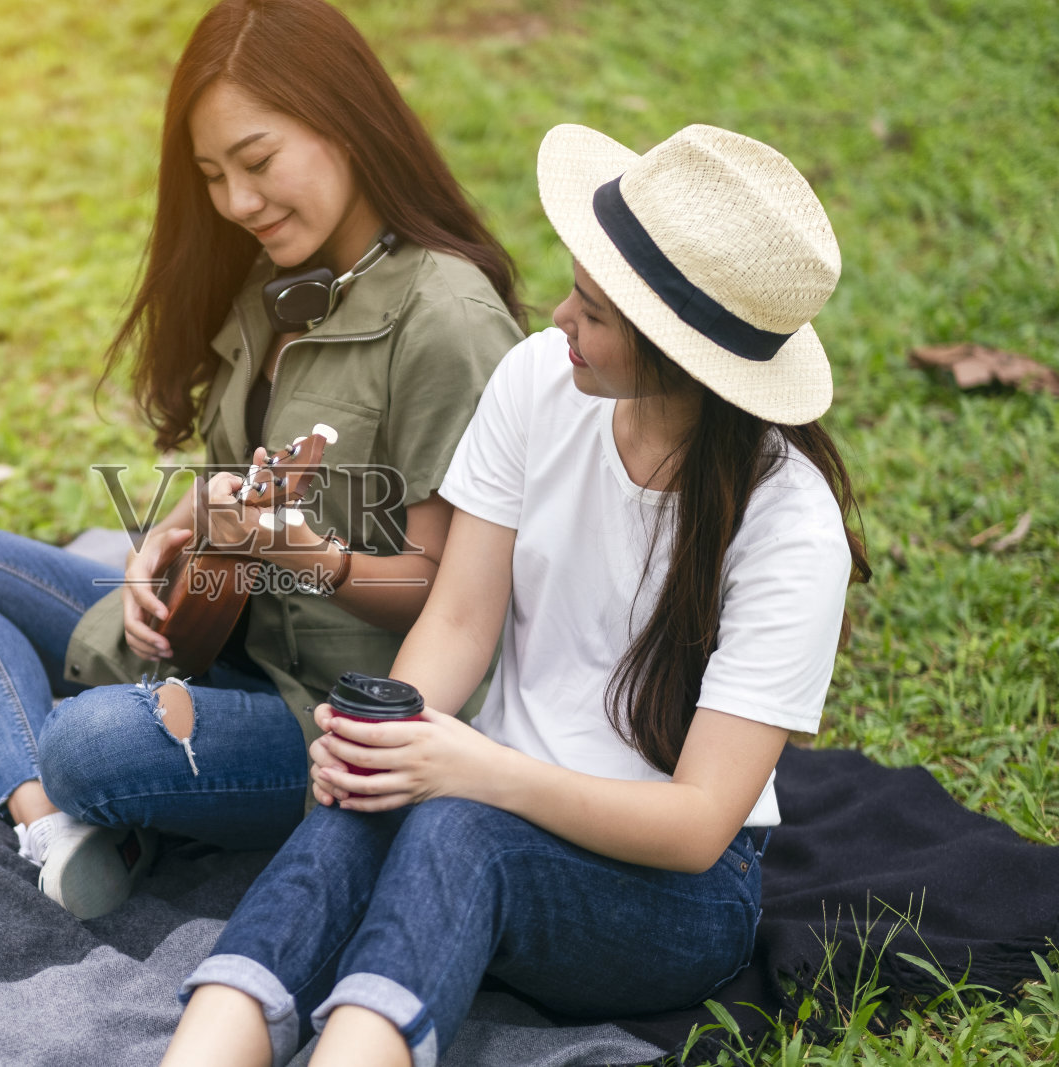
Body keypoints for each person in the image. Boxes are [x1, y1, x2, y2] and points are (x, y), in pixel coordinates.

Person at [164, 123, 871, 1067]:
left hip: (675, 895)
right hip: (486, 801)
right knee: (366, 806)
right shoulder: (541, 378)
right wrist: (385, 741)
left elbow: (700, 825)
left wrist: (475, 771)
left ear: (682, 358)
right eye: (574, 287)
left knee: (458, 825)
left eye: (595, 312)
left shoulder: (790, 526)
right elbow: (459, 619)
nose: (559, 317)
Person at [0, 0, 524, 920]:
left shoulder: (446, 320)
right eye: (214, 175)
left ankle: (15, 734)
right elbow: (261, 475)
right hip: (219, 642)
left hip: (325, 715)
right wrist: (186, 524)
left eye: (257, 162)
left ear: (346, 122)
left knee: (88, 744)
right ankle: (49, 821)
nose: (236, 203)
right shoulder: (276, 279)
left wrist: (294, 549)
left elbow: (450, 593)